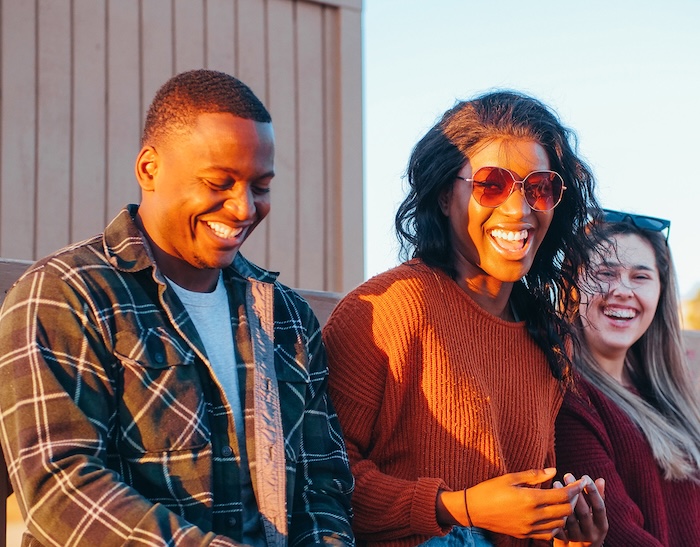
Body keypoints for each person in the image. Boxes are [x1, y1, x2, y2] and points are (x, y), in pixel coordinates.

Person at [0, 69, 354, 546]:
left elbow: (322, 488)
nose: (244, 208)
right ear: (149, 168)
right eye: (219, 182)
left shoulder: (287, 318)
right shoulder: (67, 294)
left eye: (261, 186)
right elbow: (62, 487)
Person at [322, 91, 608, 547]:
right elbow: (322, 482)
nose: (519, 210)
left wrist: (568, 537)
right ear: (442, 195)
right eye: (491, 184)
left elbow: (522, 518)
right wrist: (461, 508)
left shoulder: (551, 339)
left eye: (539, 188)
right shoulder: (385, 309)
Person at [555, 210, 700, 545]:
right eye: (605, 272)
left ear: (661, 292)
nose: (621, 290)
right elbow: (620, 535)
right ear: (573, 285)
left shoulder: (664, 393)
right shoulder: (570, 401)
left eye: (641, 277)